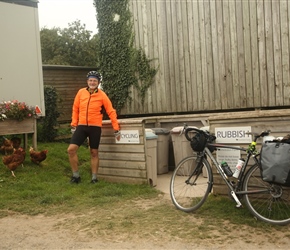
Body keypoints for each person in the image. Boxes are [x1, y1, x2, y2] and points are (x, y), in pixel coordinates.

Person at [67, 71, 120, 184]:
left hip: (95, 127)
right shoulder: (81, 92)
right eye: (90, 80)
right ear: (87, 81)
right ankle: (76, 176)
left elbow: (111, 111)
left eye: (95, 81)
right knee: (71, 150)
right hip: (81, 126)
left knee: (94, 152)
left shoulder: (102, 95)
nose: (92, 82)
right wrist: (73, 124)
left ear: (98, 82)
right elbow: (75, 109)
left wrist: (116, 127)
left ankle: (94, 178)